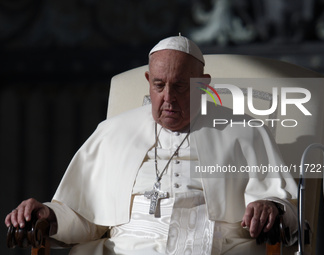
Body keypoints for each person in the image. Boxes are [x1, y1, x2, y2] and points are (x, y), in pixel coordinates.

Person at [5, 36, 298, 255]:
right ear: (148, 81)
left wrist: (270, 205)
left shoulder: (245, 131)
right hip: (127, 247)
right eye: (159, 85)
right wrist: (48, 214)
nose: (168, 97)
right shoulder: (112, 132)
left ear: (204, 84)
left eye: (181, 86)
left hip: (215, 247)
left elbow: (282, 205)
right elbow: (82, 216)